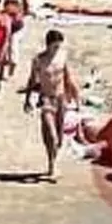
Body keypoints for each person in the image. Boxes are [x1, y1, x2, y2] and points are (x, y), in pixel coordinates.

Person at [23, 29, 79, 181]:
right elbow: (32, 80)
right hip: (46, 99)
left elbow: (68, 79)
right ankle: (52, 166)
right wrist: (27, 99)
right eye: (54, 47)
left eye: (59, 47)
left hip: (61, 99)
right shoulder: (38, 60)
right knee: (52, 136)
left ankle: (53, 162)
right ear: (48, 45)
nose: (56, 50)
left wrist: (76, 98)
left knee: (59, 139)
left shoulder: (62, 57)